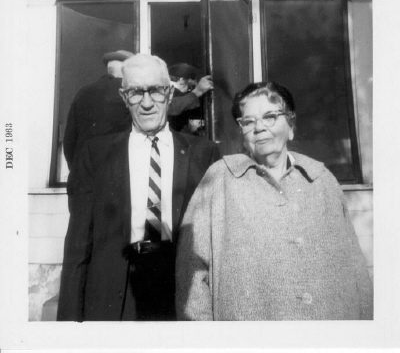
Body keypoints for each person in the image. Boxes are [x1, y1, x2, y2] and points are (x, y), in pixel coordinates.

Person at [176, 81, 373, 321]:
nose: (259, 127)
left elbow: (355, 266)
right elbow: (192, 271)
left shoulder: (321, 179)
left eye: (270, 117)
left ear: (290, 125)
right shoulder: (220, 179)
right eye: (248, 121)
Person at [57, 54, 220, 321]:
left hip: (181, 294)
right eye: (135, 93)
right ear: (124, 97)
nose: (146, 103)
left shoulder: (205, 154)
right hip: (115, 299)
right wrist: (67, 326)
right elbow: (77, 247)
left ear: (169, 94)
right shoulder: (95, 155)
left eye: (155, 90)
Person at [63, 50, 133, 169]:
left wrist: (76, 170)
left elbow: (69, 141)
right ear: (127, 71)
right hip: (115, 171)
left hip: (83, 171)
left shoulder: (82, 92)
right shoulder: (130, 93)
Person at [167, 63, 213, 133]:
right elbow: (172, 106)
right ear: (182, 80)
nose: (195, 83)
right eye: (193, 78)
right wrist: (197, 91)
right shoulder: (169, 92)